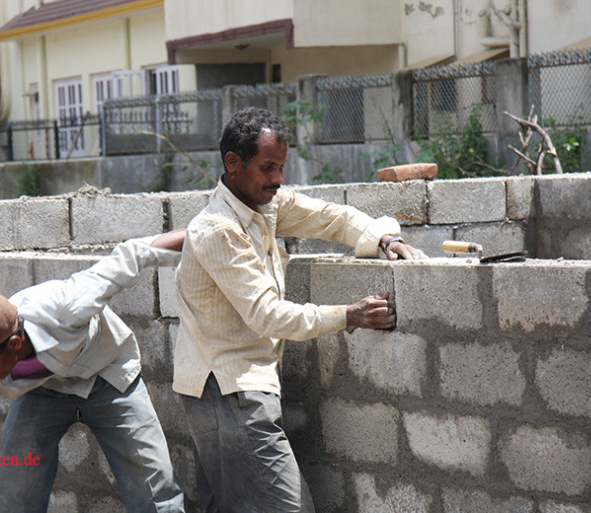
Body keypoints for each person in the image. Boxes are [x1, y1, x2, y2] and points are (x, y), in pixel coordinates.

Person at [172, 107, 427, 513]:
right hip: (228, 388)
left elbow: (329, 218)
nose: (278, 178)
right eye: (268, 167)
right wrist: (348, 314)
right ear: (233, 164)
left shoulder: (264, 205)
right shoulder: (219, 229)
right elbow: (267, 314)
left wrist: (383, 238)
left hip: (230, 387)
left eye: (282, 167)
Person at [0, 231, 187, 513]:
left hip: (108, 375)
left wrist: (207, 231)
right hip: (41, 392)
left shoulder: (68, 305)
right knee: (16, 490)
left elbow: (133, 252)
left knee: (155, 488)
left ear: (14, 344)